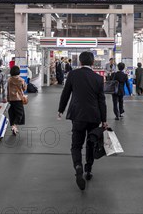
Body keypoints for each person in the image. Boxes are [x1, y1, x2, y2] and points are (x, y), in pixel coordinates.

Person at [58, 51, 108, 191]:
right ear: (93, 63)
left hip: (78, 115)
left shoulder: (73, 75)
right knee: (91, 144)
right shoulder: (98, 79)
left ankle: (78, 166)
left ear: (80, 62)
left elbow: (66, 93)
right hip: (94, 116)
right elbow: (102, 101)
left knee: (76, 145)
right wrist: (104, 120)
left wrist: (60, 109)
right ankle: (88, 169)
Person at [7, 65, 26, 135]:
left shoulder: (9, 80)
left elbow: (7, 89)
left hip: (11, 99)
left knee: (12, 113)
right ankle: (14, 126)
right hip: (18, 99)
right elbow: (24, 88)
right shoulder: (21, 80)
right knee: (20, 114)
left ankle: (14, 128)